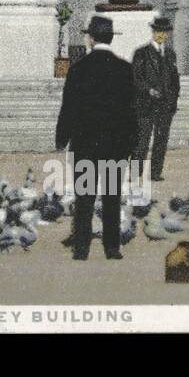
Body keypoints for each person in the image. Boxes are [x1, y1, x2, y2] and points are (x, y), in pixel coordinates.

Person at [55, 15, 136, 261]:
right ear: (111, 38)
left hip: (85, 143)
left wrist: (62, 138)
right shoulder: (124, 69)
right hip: (115, 145)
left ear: (90, 39)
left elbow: (68, 107)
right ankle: (112, 248)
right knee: (112, 198)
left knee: (84, 198)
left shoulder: (79, 69)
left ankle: (81, 248)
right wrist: (132, 144)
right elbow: (132, 111)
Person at [131, 16, 180, 182]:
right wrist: (149, 90)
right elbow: (136, 78)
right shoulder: (141, 53)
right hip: (146, 105)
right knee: (142, 141)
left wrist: (173, 101)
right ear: (153, 32)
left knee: (161, 141)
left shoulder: (171, 54)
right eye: (158, 31)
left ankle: (155, 173)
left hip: (165, 107)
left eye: (164, 32)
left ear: (167, 34)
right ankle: (135, 173)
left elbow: (175, 81)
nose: (160, 35)